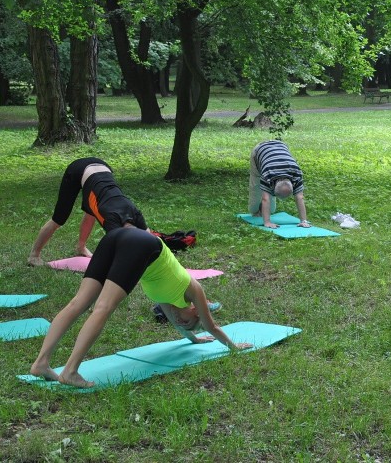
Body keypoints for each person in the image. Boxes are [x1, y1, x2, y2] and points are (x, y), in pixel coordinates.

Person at [29, 228, 252, 388]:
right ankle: (70, 371)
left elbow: (181, 325)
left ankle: (41, 364)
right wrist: (233, 346)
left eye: (183, 325)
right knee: (102, 307)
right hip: (142, 245)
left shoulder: (167, 302)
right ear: (194, 310)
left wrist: (193, 338)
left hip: (116, 236)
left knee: (79, 303)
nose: (180, 321)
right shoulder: (194, 290)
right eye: (187, 320)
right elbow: (211, 326)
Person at [28, 157, 147, 266]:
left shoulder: (136, 214)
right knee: (59, 219)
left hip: (101, 170)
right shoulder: (112, 221)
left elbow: (149, 237)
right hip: (77, 171)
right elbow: (113, 250)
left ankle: (81, 247)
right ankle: (34, 256)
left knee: (91, 212)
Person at [249, 140, 310, 229]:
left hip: (281, 145)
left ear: (293, 185)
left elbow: (300, 197)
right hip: (259, 150)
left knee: (271, 207)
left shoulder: (296, 173)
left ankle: (265, 211)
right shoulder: (267, 174)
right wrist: (267, 222)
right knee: (255, 187)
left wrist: (303, 221)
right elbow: (265, 199)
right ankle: (255, 211)